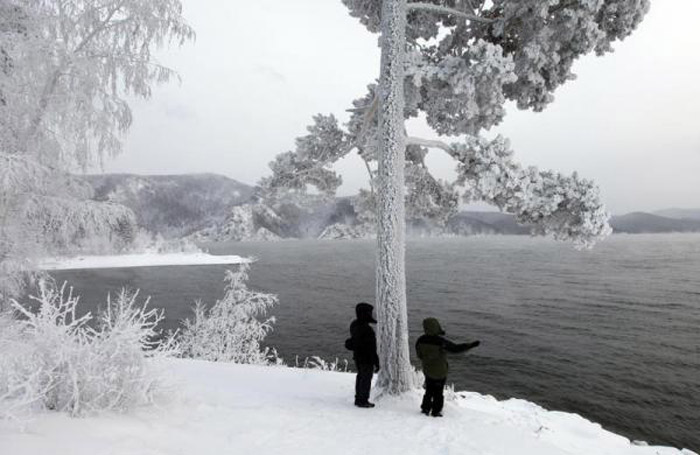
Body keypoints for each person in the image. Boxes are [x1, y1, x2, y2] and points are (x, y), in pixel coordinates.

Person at [415, 317, 480, 417]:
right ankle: (436, 412)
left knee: (429, 390)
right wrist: (470, 345)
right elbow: (456, 349)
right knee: (438, 393)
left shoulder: (420, 340)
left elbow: (419, 355)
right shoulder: (441, 342)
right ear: (436, 326)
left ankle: (425, 409)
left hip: (427, 370)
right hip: (440, 373)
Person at [348, 302, 380, 408]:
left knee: (361, 376)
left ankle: (358, 398)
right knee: (366, 379)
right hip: (366, 358)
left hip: (357, 356)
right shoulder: (367, 330)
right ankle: (363, 400)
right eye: (369, 313)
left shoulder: (354, 324)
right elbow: (371, 348)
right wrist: (376, 362)